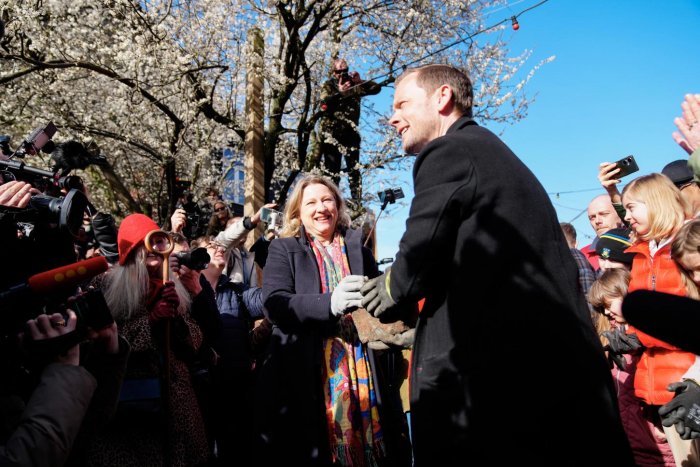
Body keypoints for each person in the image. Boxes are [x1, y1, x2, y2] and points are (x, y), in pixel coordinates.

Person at [359, 64, 634, 465]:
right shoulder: (490, 152)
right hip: (547, 379)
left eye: (402, 103)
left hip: (498, 389)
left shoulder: (448, 151)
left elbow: (419, 251)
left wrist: (385, 292)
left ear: (442, 98)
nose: (392, 117)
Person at [256, 174, 412, 467]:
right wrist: (331, 303)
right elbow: (274, 304)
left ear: (338, 206)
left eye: (327, 200)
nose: (321, 208)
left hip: (363, 365)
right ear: (298, 213)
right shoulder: (284, 249)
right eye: (311, 202)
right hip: (307, 373)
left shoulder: (359, 249)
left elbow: (379, 301)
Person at [92, 214, 210, 467]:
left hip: (177, 406)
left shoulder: (171, 284)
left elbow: (195, 342)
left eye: (159, 242)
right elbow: (100, 342)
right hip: (130, 406)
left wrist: (176, 323)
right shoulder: (106, 287)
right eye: (146, 245)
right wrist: (150, 323)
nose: (154, 251)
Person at [620, 172, 700, 465]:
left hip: (690, 379)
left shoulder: (688, 244)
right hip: (658, 385)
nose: (626, 217)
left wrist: (636, 336)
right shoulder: (642, 253)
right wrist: (630, 335)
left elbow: (684, 317)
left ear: (654, 202)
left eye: (631, 207)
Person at [588, 269, 676, 466]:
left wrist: (659, 431)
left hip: (657, 446)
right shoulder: (612, 337)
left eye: (609, 304)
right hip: (630, 443)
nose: (606, 312)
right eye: (602, 308)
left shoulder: (652, 339)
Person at [318, 58, 381, 202]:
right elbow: (324, 103)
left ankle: (356, 201)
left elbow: (376, 89)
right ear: (334, 73)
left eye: (345, 70)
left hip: (351, 133)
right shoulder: (328, 86)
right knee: (332, 171)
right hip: (332, 133)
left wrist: (360, 82)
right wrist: (339, 92)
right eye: (339, 71)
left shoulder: (354, 85)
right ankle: (331, 200)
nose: (342, 74)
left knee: (354, 169)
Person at [581, 194, 625, 270]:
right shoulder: (583, 256)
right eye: (592, 217)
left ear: (620, 215)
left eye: (604, 214)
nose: (597, 221)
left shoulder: (638, 248)